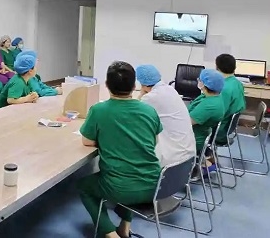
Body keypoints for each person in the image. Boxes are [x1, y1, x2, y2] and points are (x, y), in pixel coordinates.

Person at [78, 61, 162, 238]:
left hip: (119, 188)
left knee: (84, 187)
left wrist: (108, 140)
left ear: (107, 85)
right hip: (155, 185)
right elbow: (154, 141)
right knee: (131, 167)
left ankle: (110, 233)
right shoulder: (149, 110)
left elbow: (87, 141)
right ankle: (125, 226)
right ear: (134, 86)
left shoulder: (99, 110)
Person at [136, 64, 196, 167]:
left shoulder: (151, 98)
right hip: (188, 154)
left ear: (142, 83)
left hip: (173, 159)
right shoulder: (170, 89)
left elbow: (135, 111)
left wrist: (142, 92)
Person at [188, 69, 226, 154]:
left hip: (193, 140)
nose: (198, 80)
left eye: (200, 80)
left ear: (204, 84)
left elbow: (187, 122)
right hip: (197, 134)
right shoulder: (211, 97)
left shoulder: (210, 105)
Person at [215, 54, 246, 144]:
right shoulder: (238, 84)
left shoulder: (224, 88)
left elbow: (218, 114)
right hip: (229, 127)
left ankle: (202, 152)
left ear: (218, 68)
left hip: (219, 130)